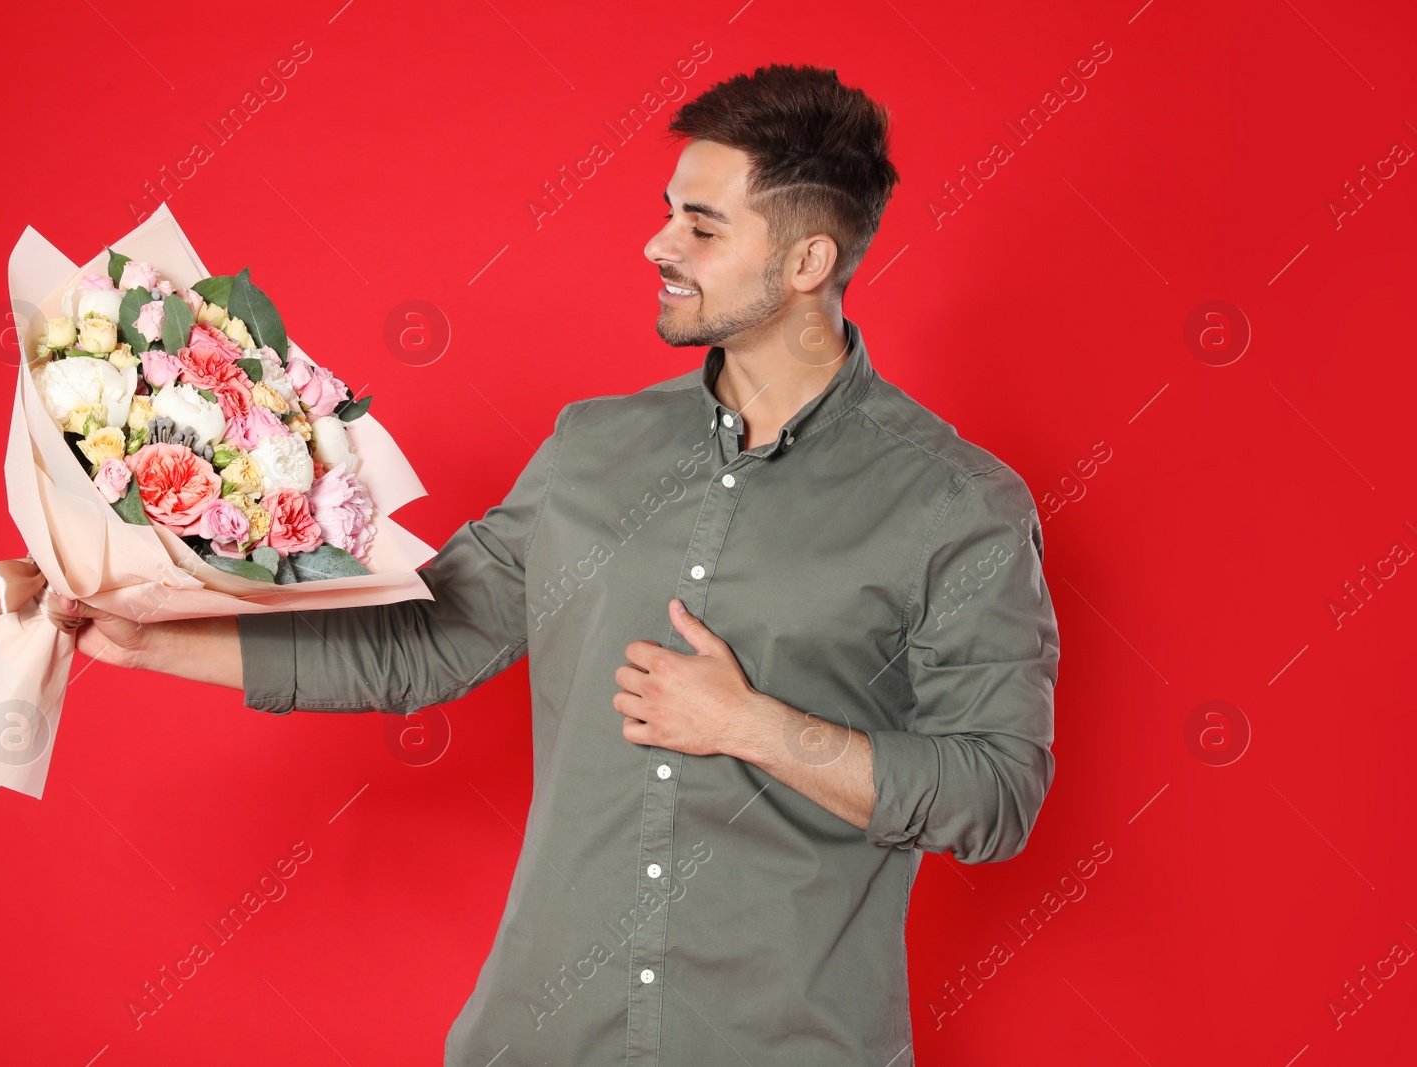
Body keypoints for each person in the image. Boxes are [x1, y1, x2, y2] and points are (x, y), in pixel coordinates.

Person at [57, 63, 1059, 1067]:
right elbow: (425, 641)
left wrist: (750, 724)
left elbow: (993, 794)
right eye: (668, 212)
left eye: (703, 227)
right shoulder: (589, 449)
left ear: (806, 260)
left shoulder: (956, 504)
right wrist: (155, 638)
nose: (658, 244)